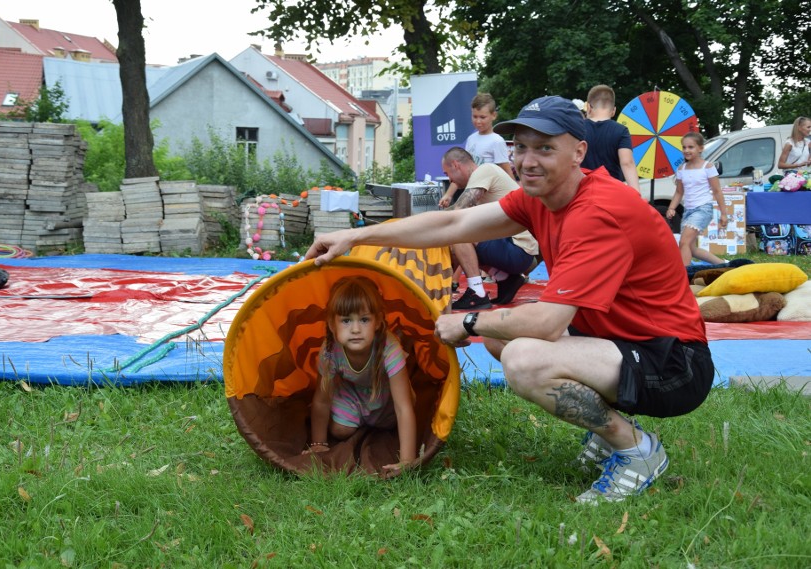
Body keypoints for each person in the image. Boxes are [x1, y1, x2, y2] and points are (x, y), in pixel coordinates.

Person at [306, 96, 715, 504]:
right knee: (506, 338)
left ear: (579, 152)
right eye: (521, 147)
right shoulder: (541, 196)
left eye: (545, 148)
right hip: (624, 343)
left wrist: (467, 321)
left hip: (673, 363)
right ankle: (610, 435)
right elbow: (454, 222)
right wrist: (356, 236)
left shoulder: (597, 211)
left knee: (523, 358)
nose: (528, 160)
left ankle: (635, 449)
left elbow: (548, 323)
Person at [303, 276, 416, 475]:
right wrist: (318, 443)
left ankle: (373, 420)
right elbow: (322, 400)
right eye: (346, 321)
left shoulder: (390, 347)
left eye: (364, 320)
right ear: (331, 324)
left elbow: (402, 406)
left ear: (378, 321)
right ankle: (359, 418)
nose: (355, 329)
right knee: (339, 431)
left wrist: (407, 460)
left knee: (398, 418)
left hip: (386, 395)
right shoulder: (330, 351)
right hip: (352, 393)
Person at [440, 147, 538, 310]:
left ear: (456, 165)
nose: (450, 180)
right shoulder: (484, 181)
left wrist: (422, 222)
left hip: (518, 251)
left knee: (457, 233)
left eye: (447, 173)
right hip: (521, 251)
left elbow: (458, 213)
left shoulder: (484, 170)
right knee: (458, 240)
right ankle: (505, 278)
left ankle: (476, 292)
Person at [439, 93, 515, 209]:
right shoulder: (471, 139)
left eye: (482, 117)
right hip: (475, 194)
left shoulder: (497, 141)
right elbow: (460, 170)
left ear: (494, 115)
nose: (478, 121)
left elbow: (507, 172)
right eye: (475, 116)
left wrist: (516, 198)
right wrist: (448, 195)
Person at [666, 132, 729, 267]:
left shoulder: (707, 167)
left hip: (703, 209)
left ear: (701, 148)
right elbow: (679, 192)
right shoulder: (682, 169)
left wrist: (723, 214)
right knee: (691, 248)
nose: (686, 150)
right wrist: (671, 207)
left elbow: (717, 191)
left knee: (683, 242)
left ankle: (685, 275)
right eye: (684, 147)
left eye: (690, 147)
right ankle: (724, 265)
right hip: (688, 211)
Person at [581, 85, 640, 188]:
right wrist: (637, 195)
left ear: (589, 107)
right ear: (613, 110)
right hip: (611, 192)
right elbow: (627, 163)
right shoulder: (621, 131)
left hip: (582, 191)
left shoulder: (577, 128)